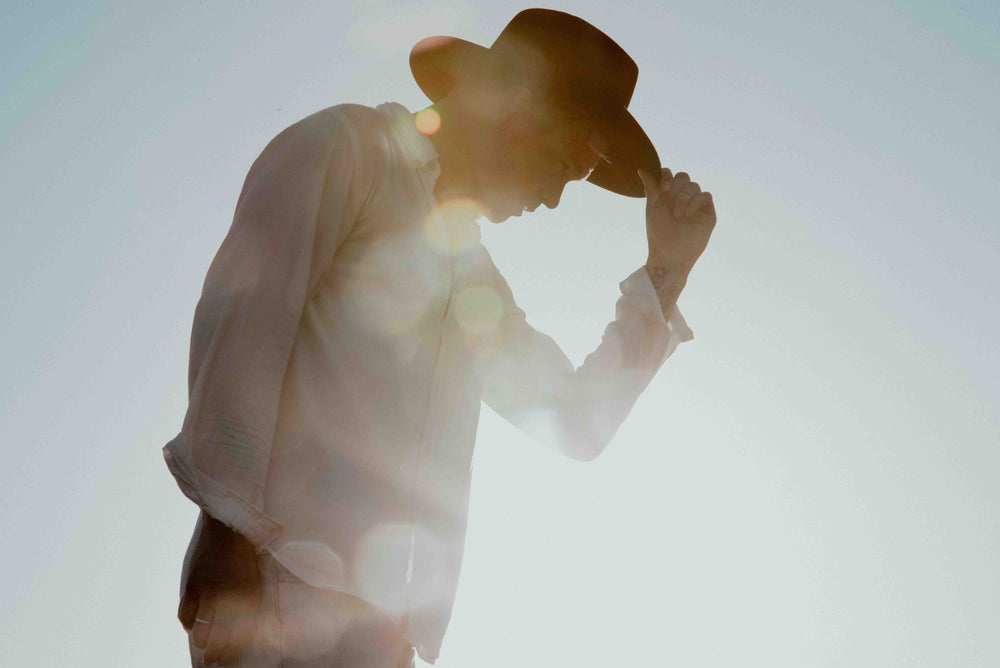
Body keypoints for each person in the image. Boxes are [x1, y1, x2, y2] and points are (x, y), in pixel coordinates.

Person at [163, 8, 716, 667]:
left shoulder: (470, 271)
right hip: (277, 594)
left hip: (383, 634)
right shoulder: (347, 147)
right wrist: (225, 526)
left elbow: (572, 421)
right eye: (563, 163)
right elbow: (248, 326)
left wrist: (666, 274)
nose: (555, 200)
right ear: (511, 100)